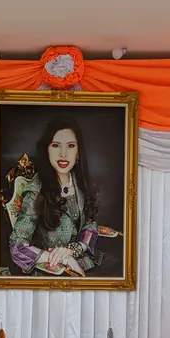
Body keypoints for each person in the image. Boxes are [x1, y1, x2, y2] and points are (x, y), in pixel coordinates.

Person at [8, 119, 105, 277]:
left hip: (85, 260)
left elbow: (90, 224)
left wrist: (73, 250)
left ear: (78, 152)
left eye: (71, 146)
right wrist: (63, 259)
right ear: (47, 150)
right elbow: (18, 246)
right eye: (56, 145)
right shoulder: (35, 191)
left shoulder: (82, 185)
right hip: (53, 270)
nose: (63, 154)